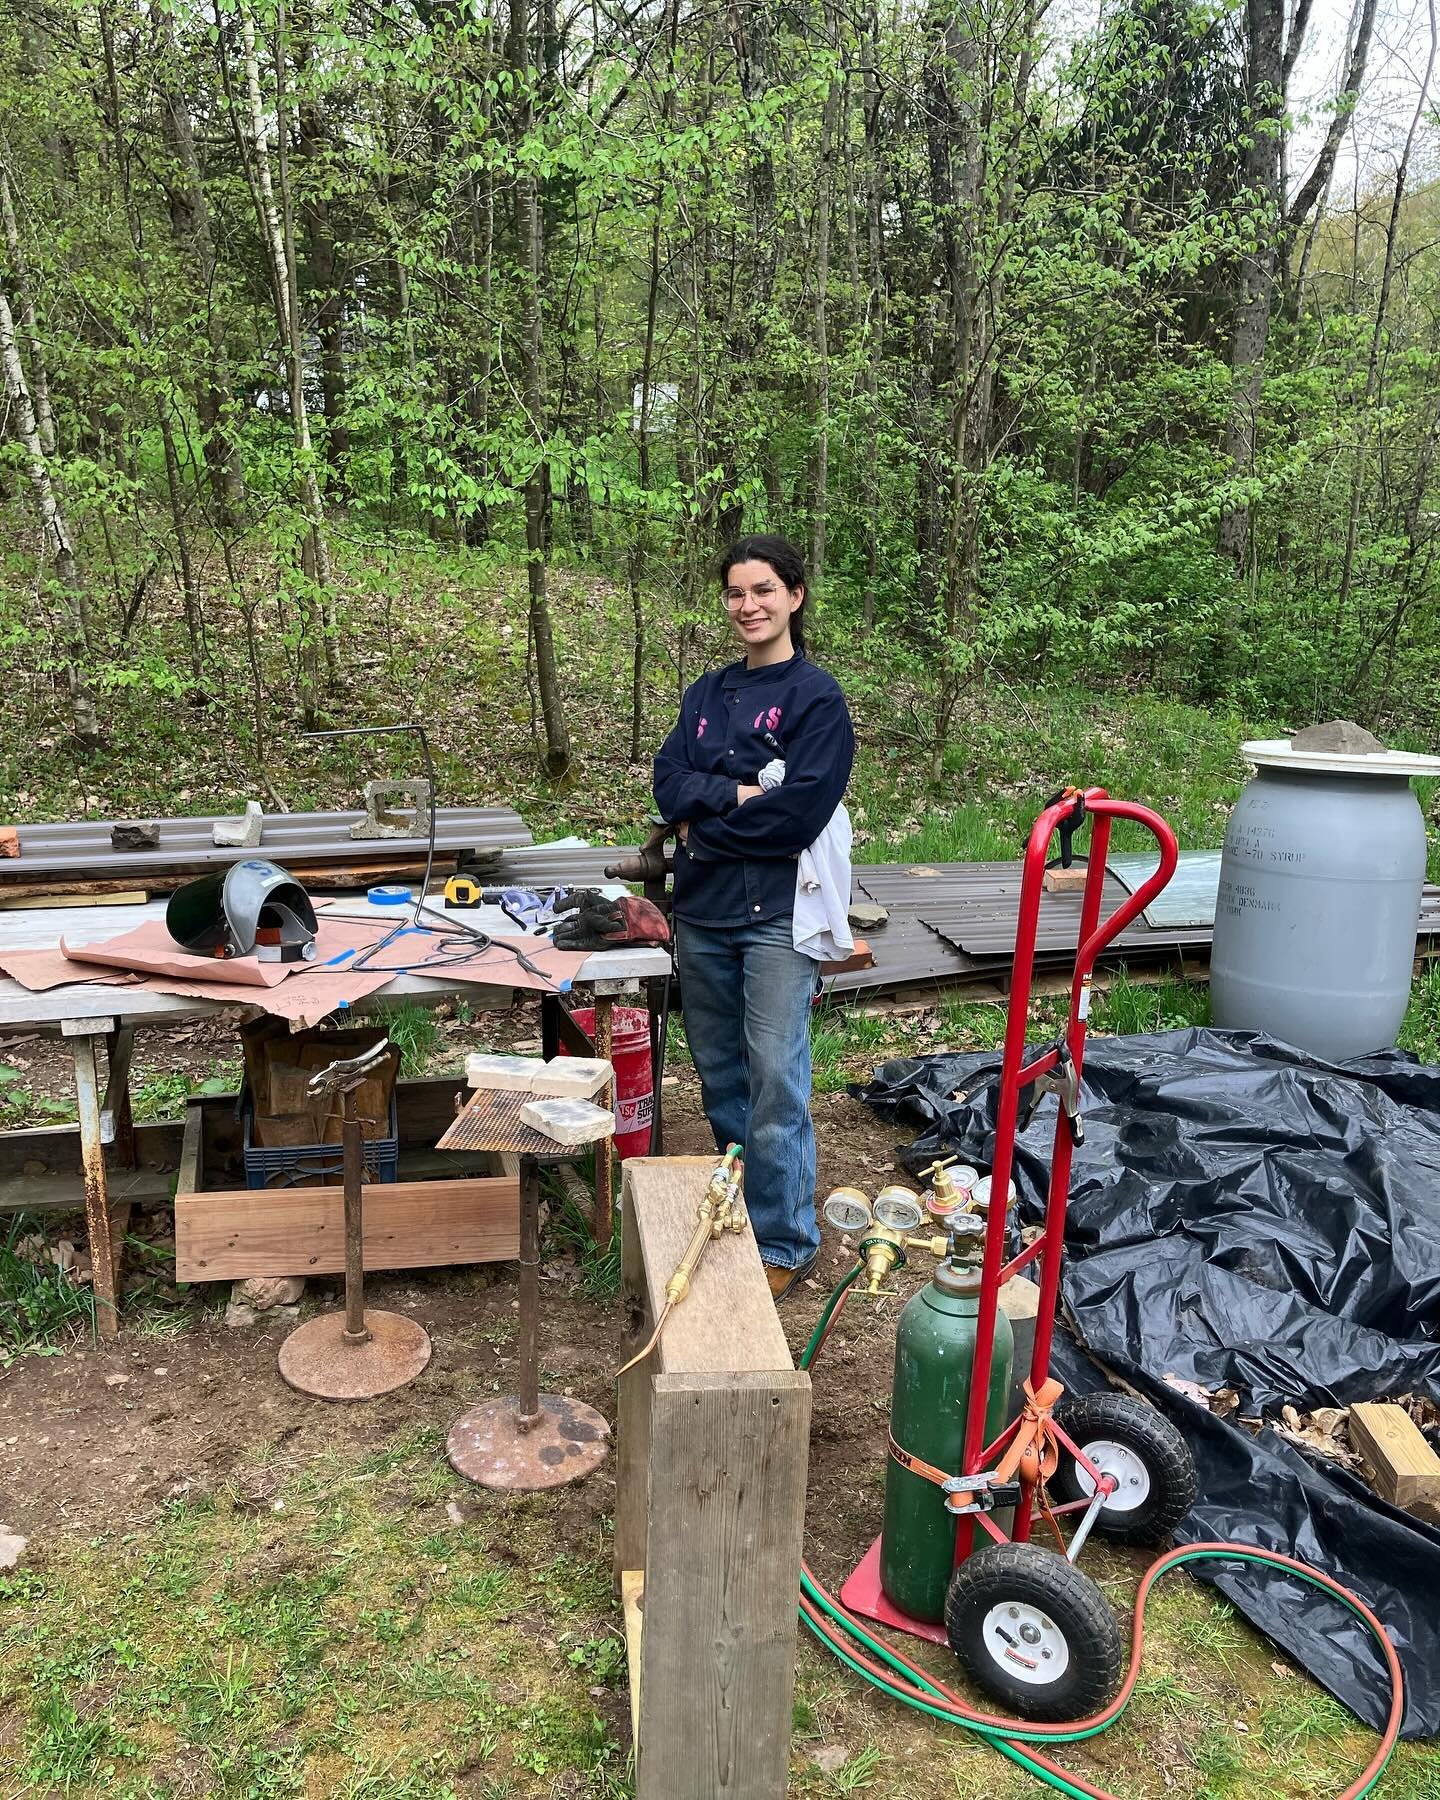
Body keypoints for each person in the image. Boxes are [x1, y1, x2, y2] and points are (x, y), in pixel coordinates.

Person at [653, 534, 856, 1300]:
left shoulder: (816, 699)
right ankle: (738, 1201)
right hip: (701, 913)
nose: (749, 606)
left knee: (777, 1079)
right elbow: (668, 781)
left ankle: (786, 1239)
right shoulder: (706, 694)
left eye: (764, 591)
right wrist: (730, 796)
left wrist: (703, 826)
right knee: (721, 1077)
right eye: (737, 593)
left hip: (776, 914)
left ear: (795, 597)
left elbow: (797, 816)